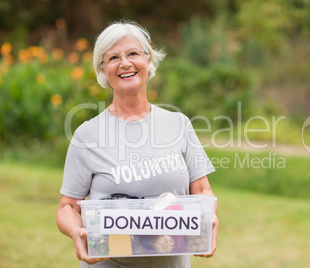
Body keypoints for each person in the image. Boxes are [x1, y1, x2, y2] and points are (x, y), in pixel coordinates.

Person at [56, 20, 218, 268]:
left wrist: (210, 218)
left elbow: (202, 191)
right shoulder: (87, 135)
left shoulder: (178, 124)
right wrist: (77, 232)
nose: (125, 63)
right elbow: (67, 207)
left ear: (148, 60)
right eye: (113, 58)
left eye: (133, 53)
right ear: (103, 70)